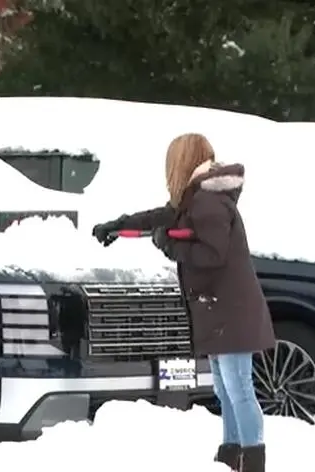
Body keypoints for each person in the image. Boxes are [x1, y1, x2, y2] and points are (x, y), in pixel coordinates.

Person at [91, 133, 275, 472]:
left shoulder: (208, 202)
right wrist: (119, 226)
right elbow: (161, 218)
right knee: (225, 388)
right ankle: (231, 451)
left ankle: (253, 459)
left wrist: (169, 246)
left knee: (239, 389)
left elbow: (212, 253)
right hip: (221, 309)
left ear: (182, 163)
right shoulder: (197, 198)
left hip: (230, 310)